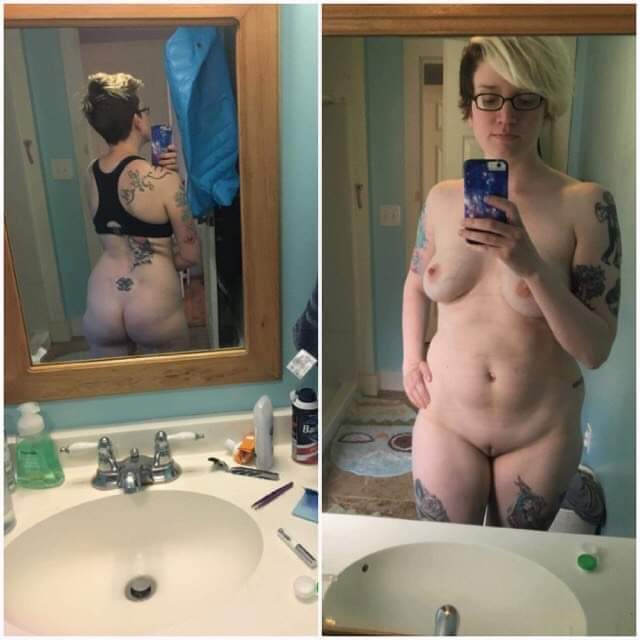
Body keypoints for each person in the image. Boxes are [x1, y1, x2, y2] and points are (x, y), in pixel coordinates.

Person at [402, 37, 620, 530]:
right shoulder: (440, 200)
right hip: (447, 421)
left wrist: (532, 267)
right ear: (468, 106)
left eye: (525, 99)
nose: (506, 117)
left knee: (511, 562)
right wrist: (411, 358)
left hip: (538, 433)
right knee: (445, 557)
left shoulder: (587, 205)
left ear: (547, 107)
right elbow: (415, 284)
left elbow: (595, 349)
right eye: (489, 97)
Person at [81, 72, 200, 356]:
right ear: (137, 119)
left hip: (102, 299)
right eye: (144, 110)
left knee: (115, 384)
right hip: (153, 300)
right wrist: (160, 259)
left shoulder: (91, 172)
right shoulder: (164, 179)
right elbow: (190, 254)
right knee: (170, 383)